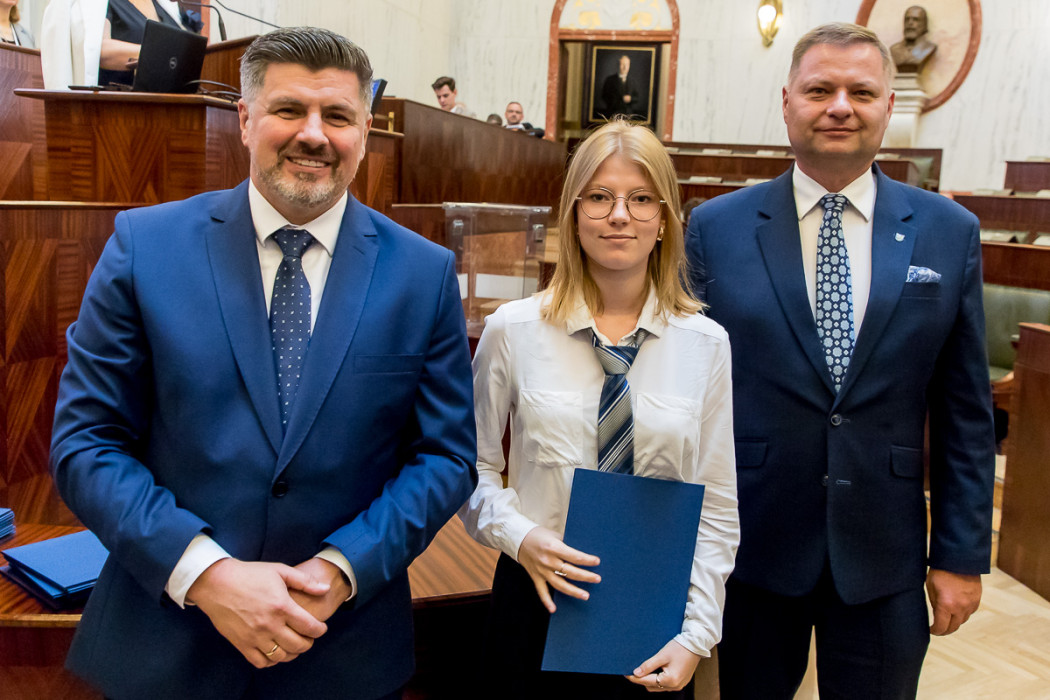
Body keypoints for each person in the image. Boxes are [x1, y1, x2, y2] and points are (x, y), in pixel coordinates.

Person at [50, 26, 477, 700]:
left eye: (337, 116)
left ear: (365, 131)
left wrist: (341, 570)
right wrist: (207, 574)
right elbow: (86, 442)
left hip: (342, 648)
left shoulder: (423, 274)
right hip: (166, 648)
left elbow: (446, 457)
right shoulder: (145, 247)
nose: (314, 134)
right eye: (288, 109)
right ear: (245, 120)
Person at [686, 22, 994, 699]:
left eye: (861, 91)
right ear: (787, 101)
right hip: (753, 546)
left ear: (888, 105)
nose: (840, 107)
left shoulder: (948, 232)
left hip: (885, 552)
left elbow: (965, 413)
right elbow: (685, 393)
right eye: (820, 90)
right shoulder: (715, 228)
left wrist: (961, 554)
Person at [461, 119, 739, 699]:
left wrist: (698, 634)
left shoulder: (706, 344)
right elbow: (472, 469)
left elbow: (716, 504)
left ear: (664, 221)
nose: (619, 215)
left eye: (641, 199)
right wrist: (519, 536)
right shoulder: (513, 329)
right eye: (599, 197)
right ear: (573, 214)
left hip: (652, 610)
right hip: (536, 597)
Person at [39, 0, 198, 89]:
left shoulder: (164, 6)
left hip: (171, 105)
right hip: (118, 112)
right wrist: (155, 53)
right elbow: (99, 50)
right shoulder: (99, 3)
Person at [98, 0, 203, 87]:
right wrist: (155, 53)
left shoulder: (163, 7)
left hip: (171, 98)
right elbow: (101, 51)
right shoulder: (104, 3)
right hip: (122, 100)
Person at [890, 6, 937, 73]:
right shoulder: (894, 49)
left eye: (915, 19)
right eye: (907, 19)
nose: (910, 23)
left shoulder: (928, 48)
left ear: (924, 25)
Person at [600, 54, 643, 119]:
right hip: (613, 114)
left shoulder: (632, 81)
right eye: (622, 64)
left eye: (627, 65)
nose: (625, 67)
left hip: (628, 115)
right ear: (618, 65)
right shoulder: (610, 80)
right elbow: (604, 96)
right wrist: (619, 100)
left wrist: (630, 99)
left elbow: (637, 97)